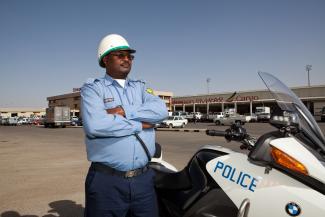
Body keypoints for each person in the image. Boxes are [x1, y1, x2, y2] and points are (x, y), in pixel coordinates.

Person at [81, 34, 168, 217]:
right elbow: (96, 125)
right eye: (120, 55)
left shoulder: (141, 87)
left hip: (143, 181)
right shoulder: (93, 89)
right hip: (107, 183)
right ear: (106, 59)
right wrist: (140, 124)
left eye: (130, 56)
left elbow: (161, 111)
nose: (126, 59)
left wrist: (123, 111)